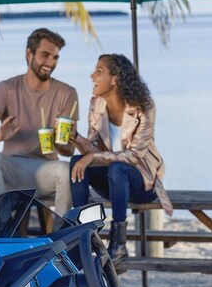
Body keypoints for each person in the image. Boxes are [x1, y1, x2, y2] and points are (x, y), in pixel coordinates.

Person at [70, 54, 172, 269]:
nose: (92, 76)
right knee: (77, 162)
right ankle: (82, 237)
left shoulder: (144, 106)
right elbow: (93, 150)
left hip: (142, 183)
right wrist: (75, 137)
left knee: (118, 168)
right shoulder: (96, 104)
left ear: (114, 79)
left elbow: (134, 155)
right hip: (113, 184)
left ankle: (119, 244)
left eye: (99, 71)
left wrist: (93, 157)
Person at [0, 28, 78, 214]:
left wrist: (59, 143)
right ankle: (4, 217)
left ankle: (63, 229)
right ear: (29, 54)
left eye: (55, 57)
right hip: (12, 169)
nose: (50, 63)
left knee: (65, 169)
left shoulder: (67, 93)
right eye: (45, 55)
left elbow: (69, 150)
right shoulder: (7, 88)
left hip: (46, 169)